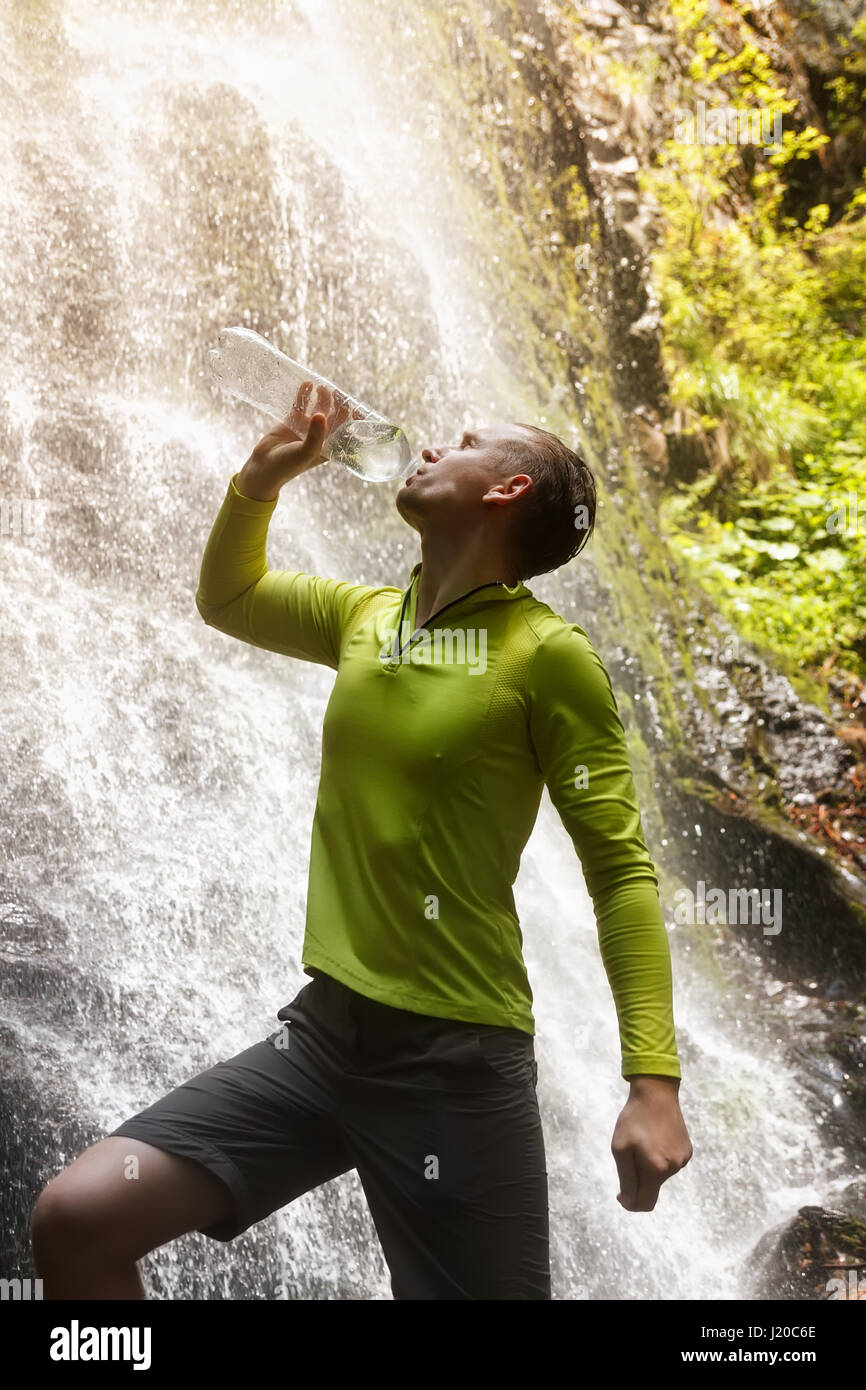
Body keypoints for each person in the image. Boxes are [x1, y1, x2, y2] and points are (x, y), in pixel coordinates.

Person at [31, 381, 692, 1300]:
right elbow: (230, 597)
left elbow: (620, 872)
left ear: (506, 492)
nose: (428, 446)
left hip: (454, 1066)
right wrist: (260, 483)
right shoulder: (366, 617)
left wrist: (652, 1083)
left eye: (463, 441)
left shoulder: (549, 657)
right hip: (327, 1038)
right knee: (77, 1220)